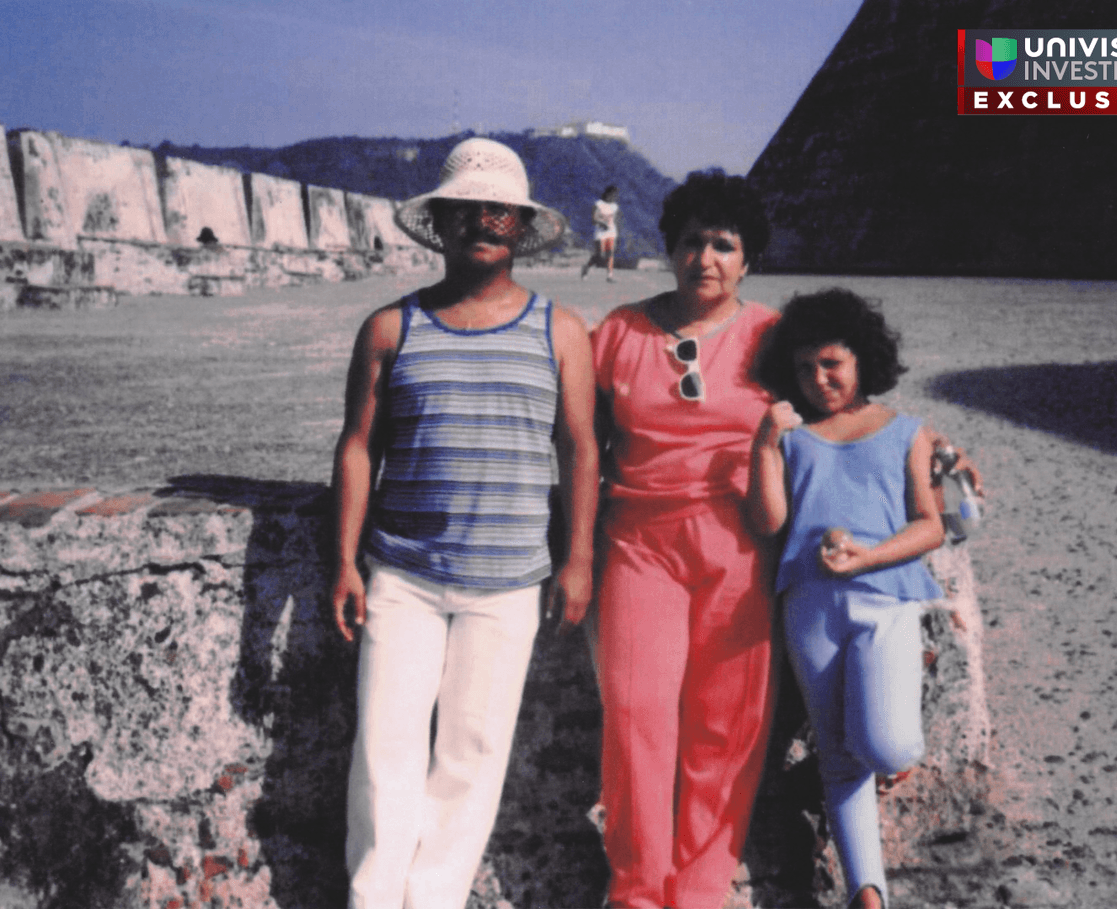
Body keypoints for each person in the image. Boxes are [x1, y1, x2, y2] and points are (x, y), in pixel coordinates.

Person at [330, 137, 599, 909]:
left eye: (500, 209)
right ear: (440, 223)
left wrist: (576, 558)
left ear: (519, 224)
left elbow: (581, 451)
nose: (483, 220)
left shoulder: (561, 332)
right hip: (403, 575)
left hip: (510, 581)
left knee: (472, 755)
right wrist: (344, 560)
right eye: (467, 208)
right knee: (384, 751)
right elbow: (356, 447)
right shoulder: (391, 328)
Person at [590, 170, 786, 907]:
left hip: (739, 547)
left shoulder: (772, 338)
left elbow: (841, 416)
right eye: (693, 241)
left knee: (725, 726)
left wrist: (931, 455)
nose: (706, 257)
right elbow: (577, 447)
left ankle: (702, 886)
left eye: (724, 245)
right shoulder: (618, 332)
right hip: (640, 545)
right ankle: (638, 888)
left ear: (747, 260)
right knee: (638, 715)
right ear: (670, 249)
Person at [746, 288, 947, 909]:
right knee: (837, 756)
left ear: (863, 360)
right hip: (809, 608)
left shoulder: (905, 431)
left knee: (888, 746)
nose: (818, 379)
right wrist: (762, 447)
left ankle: (912, 672)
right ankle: (869, 891)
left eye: (832, 363)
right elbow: (769, 522)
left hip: (886, 601)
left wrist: (869, 555)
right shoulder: (792, 436)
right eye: (805, 368)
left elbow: (930, 524)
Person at [581, 184, 620, 281]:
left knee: (610, 254)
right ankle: (586, 268)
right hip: (600, 232)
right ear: (608, 193)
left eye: (616, 195)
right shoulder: (598, 204)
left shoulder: (615, 206)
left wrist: (613, 230)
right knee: (599, 256)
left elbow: (615, 221)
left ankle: (609, 276)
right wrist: (602, 224)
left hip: (611, 232)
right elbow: (593, 220)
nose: (615, 197)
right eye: (613, 194)